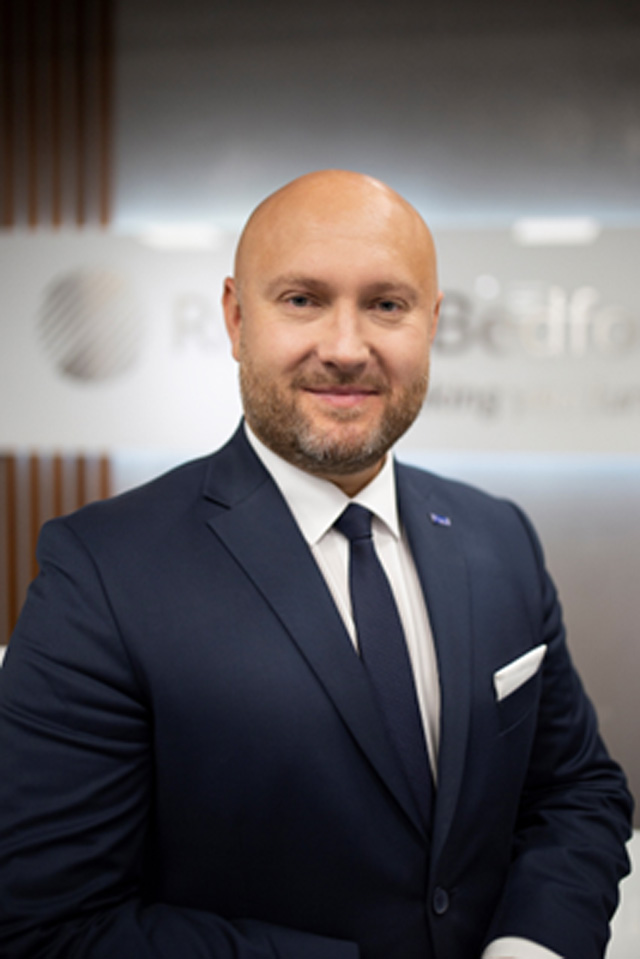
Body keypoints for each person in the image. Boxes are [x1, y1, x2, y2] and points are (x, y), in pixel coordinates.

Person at [0, 170, 633, 959]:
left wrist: (531, 947)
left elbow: (575, 791)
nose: (345, 348)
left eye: (387, 305)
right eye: (302, 299)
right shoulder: (101, 571)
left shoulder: (498, 536)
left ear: (434, 322)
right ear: (236, 318)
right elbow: (50, 925)